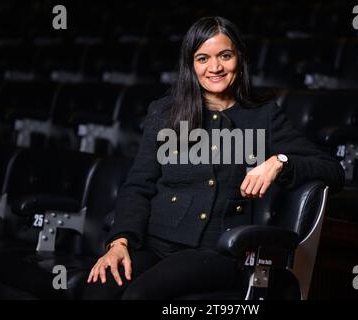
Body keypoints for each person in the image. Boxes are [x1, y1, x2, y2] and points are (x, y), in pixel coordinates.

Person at [83, 16, 344, 300]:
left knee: (139, 296)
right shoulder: (164, 112)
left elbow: (333, 170)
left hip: (215, 251)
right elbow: (138, 186)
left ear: (239, 59)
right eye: (203, 58)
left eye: (225, 56)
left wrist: (279, 162)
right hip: (152, 242)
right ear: (190, 65)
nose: (215, 67)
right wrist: (119, 243)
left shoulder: (263, 115)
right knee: (100, 289)